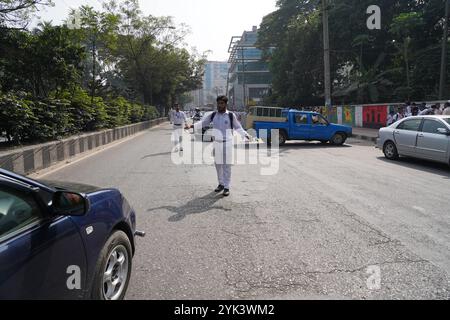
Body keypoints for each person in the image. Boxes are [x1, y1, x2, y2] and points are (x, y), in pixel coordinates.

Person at [190, 96, 251, 197]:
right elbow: (203, 122)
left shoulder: (231, 115)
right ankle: (221, 184)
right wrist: (192, 126)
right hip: (217, 143)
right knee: (218, 165)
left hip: (227, 143)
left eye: (222, 103)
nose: (219, 105)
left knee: (226, 166)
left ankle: (227, 187)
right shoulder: (213, 115)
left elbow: (238, 127)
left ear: (225, 104)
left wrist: (245, 134)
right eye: (218, 103)